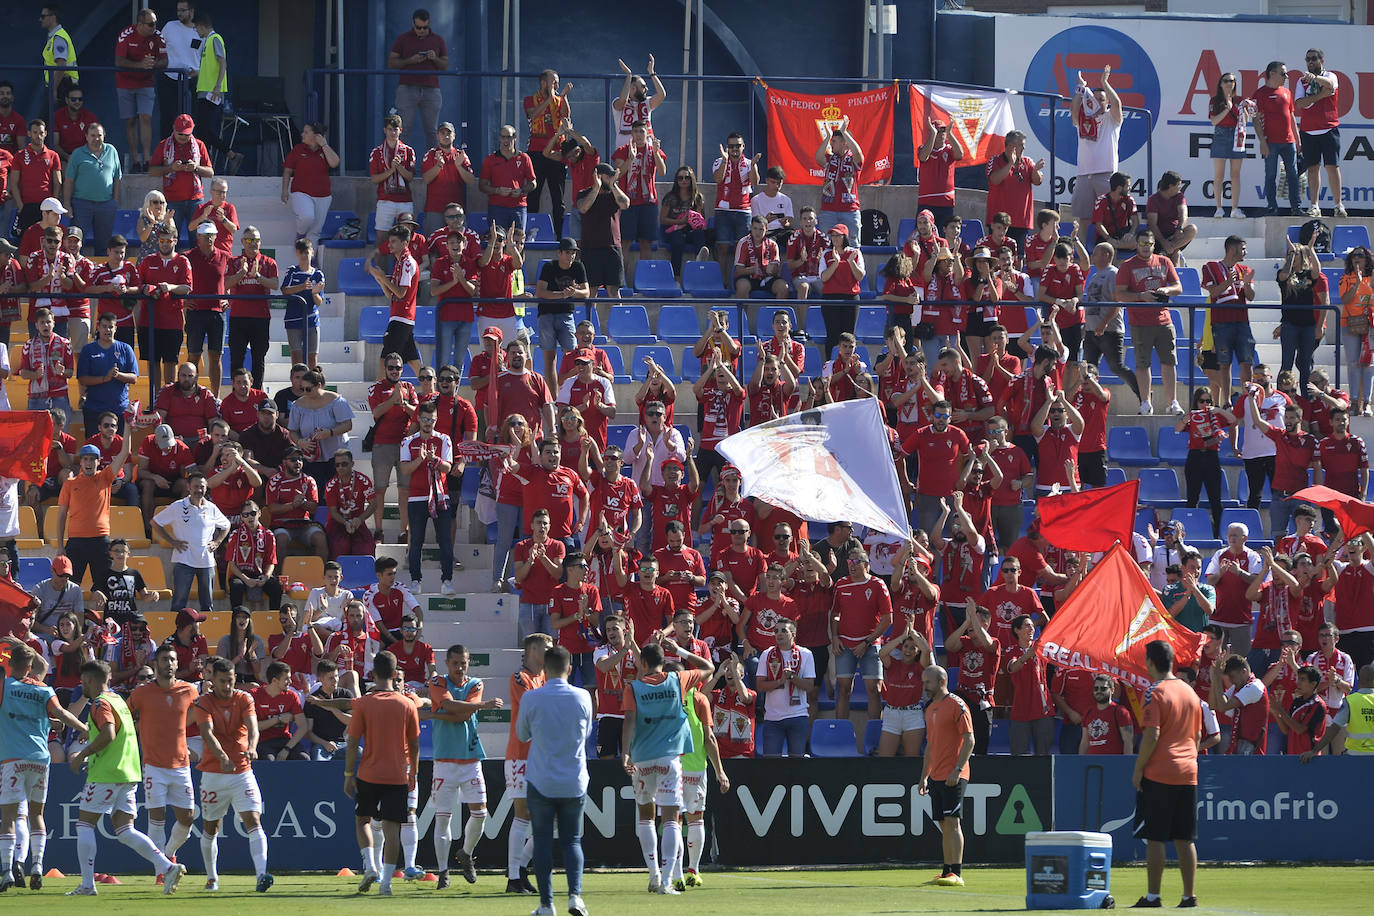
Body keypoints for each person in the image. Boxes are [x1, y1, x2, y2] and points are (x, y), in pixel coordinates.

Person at [65, 660, 189, 897]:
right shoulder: (119, 701)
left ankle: (87, 885)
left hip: (107, 774)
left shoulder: (100, 703)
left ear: (90, 680)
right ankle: (168, 867)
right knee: (125, 831)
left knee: (84, 824)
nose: (83, 685)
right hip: (129, 773)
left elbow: (109, 733)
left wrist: (82, 755)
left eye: (83, 682)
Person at [621, 639, 710, 896]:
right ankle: (667, 880)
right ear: (663, 661)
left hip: (641, 758)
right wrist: (680, 650)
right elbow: (708, 667)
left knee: (645, 816)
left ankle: (653, 875)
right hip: (670, 758)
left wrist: (625, 753)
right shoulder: (678, 680)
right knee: (671, 819)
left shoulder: (633, 688)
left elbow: (628, 720)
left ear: (643, 663)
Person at [0, 643, 88, 892]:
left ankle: (6, 871)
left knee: (8, 818)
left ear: (10, 663)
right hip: (40, 759)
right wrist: (83, 728)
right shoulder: (43, 689)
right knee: (36, 815)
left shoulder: (4, 686)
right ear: (30, 667)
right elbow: (61, 713)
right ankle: (37, 867)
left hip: (12, 759)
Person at [515, 644, 594, 916]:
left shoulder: (531, 698)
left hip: (541, 779)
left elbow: (522, 735)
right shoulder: (583, 697)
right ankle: (575, 897)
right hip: (573, 779)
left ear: (544, 670)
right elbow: (585, 735)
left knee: (542, 840)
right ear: (570, 669)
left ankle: (547, 904)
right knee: (572, 840)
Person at [1131, 640, 1203, 908]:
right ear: (1172, 661)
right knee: (1185, 838)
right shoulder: (1190, 693)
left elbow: (1152, 734)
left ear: (1150, 662)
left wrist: (1138, 770)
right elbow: (1196, 735)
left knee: (1155, 837)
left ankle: (1153, 896)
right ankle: (1189, 896)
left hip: (1160, 772)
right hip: (1188, 771)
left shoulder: (1153, 692)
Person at [191, 656, 272, 892]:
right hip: (214, 774)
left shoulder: (244, 698)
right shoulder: (204, 702)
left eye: (230, 680)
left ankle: (261, 875)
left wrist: (253, 747)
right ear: (212, 680)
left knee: (253, 821)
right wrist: (223, 757)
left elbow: (253, 727)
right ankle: (212, 878)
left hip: (242, 773)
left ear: (235, 678)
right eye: (222, 681)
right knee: (210, 828)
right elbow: (207, 734)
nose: (227, 686)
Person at [427, 644, 502, 888]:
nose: (460, 667)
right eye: (455, 663)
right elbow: (453, 709)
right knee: (443, 820)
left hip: (470, 759)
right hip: (445, 760)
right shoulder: (438, 681)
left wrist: (432, 714)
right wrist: (483, 706)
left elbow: (463, 715)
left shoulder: (475, 683)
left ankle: (466, 853)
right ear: (447, 663)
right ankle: (443, 872)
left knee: (480, 814)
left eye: (464, 663)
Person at [127, 643, 198, 866]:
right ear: (155, 663)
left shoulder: (189, 690)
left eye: (172, 660)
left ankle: (168, 854)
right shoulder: (142, 692)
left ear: (177, 664)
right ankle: (161, 870)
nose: (168, 663)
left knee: (187, 820)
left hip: (181, 765)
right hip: (153, 766)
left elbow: (199, 716)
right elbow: (124, 717)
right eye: (164, 659)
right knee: (156, 818)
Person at [918, 664, 975, 886]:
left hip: (954, 774)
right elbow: (931, 746)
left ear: (941, 681)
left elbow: (969, 739)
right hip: (937, 775)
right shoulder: (930, 708)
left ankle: (957, 873)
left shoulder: (956, 705)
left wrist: (958, 769)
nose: (924, 687)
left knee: (952, 822)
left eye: (928, 682)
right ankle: (946, 871)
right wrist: (924, 776)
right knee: (943, 824)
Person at [1117, 227, 1183, 415]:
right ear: (1137, 245)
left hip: (1163, 319)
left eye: (1149, 244)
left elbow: (1178, 286)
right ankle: (1145, 402)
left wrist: (1166, 291)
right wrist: (1141, 296)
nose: (1146, 247)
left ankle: (1173, 402)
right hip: (1139, 321)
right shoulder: (1127, 265)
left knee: (1169, 362)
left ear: (1154, 245)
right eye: (1142, 243)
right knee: (1142, 364)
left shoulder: (1164, 261)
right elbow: (1120, 294)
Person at [504, 633, 551, 895]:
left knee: (550, 818)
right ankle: (513, 878)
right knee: (523, 814)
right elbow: (533, 711)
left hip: (541, 755)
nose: (552, 650)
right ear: (534, 650)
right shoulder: (519, 678)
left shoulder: (544, 678)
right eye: (548, 646)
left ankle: (520, 868)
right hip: (521, 754)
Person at [55, 433, 131, 589]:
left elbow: (125, 452)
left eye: (92, 459)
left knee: (104, 586)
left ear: (99, 461)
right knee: (70, 586)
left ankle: (104, 615)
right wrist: (60, 546)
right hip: (76, 541)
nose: (88, 462)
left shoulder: (105, 477)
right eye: (85, 459)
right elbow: (62, 515)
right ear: (81, 462)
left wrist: (128, 425)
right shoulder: (70, 483)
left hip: (100, 540)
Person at [151, 471, 230, 614]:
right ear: (188, 487)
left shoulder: (211, 508)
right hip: (183, 560)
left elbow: (226, 525)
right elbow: (155, 523)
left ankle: (206, 634)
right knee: (178, 603)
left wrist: (217, 542)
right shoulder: (178, 506)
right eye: (195, 486)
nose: (199, 490)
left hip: (206, 561)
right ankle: (176, 634)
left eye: (202, 487)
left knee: (207, 604)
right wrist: (171, 541)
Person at [830, 549, 892, 725]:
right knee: (842, 689)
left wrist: (867, 642)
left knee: (874, 689)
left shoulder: (878, 584)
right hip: (845, 643)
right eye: (849, 562)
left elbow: (888, 619)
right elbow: (834, 613)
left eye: (856, 562)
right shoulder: (841, 584)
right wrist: (835, 636)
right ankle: (841, 732)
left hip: (870, 644)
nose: (852, 566)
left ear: (866, 564)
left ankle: (874, 735)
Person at [112, 7, 165, 174]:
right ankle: (136, 161)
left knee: (145, 117)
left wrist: (152, 65)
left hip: (146, 83)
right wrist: (140, 65)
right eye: (150, 24)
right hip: (125, 83)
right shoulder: (126, 34)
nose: (154, 27)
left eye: (155, 23)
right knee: (131, 121)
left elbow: (165, 61)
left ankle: (147, 159)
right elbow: (119, 61)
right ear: (140, 24)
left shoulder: (157, 36)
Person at [225, 225, 279, 390]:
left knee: (258, 358)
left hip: (260, 318)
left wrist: (257, 276)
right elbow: (225, 284)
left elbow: (275, 285)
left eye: (255, 240)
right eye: (248, 240)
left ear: (260, 242)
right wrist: (241, 274)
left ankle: (257, 394)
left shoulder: (268, 262)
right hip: (238, 317)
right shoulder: (234, 262)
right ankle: (236, 393)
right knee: (236, 359)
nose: (252, 243)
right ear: (242, 242)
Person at [1070, 64, 1124, 229]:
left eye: (1101, 99)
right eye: (1094, 99)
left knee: (1109, 217)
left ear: (1106, 101)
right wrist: (1081, 88)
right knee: (1083, 219)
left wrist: (1104, 82)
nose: (1097, 102)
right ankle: (1081, 252)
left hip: (1106, 175)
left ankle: (1108, 250)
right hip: (1084, 175)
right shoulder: (1083, 120)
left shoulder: (1112, 119)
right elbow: (1073, 109)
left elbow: (1117, 104)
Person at [388, 10, 447, 153]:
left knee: (432, 131)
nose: (421, 31)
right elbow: (391, 63)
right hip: (407, 88)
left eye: (425, 28)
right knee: (403, 129)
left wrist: (434, 58)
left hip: (431, 90)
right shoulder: (403, 39)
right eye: (418, 27)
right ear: (413, 24)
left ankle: (433, 165)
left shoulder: (438, 40)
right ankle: (403, 164)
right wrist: (410, 60)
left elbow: (445, 66)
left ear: (429, 24)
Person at [1296, 48, 1344, 218]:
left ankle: (1338, 205)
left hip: (1329, 127)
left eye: (1314, 59)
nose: (1310, 62)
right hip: (1309, 130)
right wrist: (1320, 96)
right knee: (1312, 169)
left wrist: (1316, 79)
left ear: (1322, 60)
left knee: (1332, 166)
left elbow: (1330, 86)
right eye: (1308, 59)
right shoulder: (1302, 81)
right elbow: (1299, 104)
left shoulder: (1331, 75)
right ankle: (1314, 205)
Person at [613, 120, 665, 277]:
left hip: (648, 203)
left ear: (647, 133)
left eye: (642, 132)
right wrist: (630, 159)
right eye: (635, 132)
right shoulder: (623, 150)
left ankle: (644, 278)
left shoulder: (653, 150)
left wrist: (656, 152)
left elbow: (662, 171)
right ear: (632, 134)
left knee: (646, 242)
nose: (639, 135)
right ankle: (622, 280)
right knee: (625, 243)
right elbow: (618, 173)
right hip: (627, 203)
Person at [149, 113, 212, 233]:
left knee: (198, 237)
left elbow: (210, 172)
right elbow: (152, 171)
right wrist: (171, 168)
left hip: (195, 200)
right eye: (180, 134)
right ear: (173, 128)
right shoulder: (163, 145)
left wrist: (195, 168)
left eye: (187, 134)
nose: (183, 137)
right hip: (172, 200)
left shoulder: (199, 145)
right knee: (171, 236)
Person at [1253, 60, 1302, 217]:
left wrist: (1298, 139)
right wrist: (1262, 141)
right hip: (1270, 142)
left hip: (1289, 142)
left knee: (1293, 175)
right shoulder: (1260, 94)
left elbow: (1292, 116)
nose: (1286, 77)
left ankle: (1296, 207)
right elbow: (1256, 119)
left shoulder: (1287, 92)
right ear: (1272, 74)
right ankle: (1272, 206)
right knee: (1271, 175)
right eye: (1283, 73)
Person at [279, 124, 338, 245]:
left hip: (323, 196)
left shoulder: (324, 150)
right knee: (307, 216)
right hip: (301, 193)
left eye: (306, 132)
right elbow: (288, 170)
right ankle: (300, 234)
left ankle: (310, 261)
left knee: (315, 232)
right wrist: (284, 190)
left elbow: (334, 163)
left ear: (316, 136)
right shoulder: (298, 149)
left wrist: (324, 145)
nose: (302, 134)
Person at [1302, 663, 1374, 760]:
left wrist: (1314, 751)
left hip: (1355, 756)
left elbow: (1334, 728)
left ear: (1358, 681)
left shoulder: (1350, 701)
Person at [985, 130, 1042, 250]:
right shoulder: (995, 160)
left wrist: (1036, 171)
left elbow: (1037, 181)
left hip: (1021, 221)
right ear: (1010, 146)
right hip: (999, 222)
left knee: (1019, 257)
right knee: (996, 256)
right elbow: (995, 180)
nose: (1023, 147)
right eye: (1021, 145)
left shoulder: (1027, 162)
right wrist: (1010, 163)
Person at [480, 125, 537, 233]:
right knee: (498, 241)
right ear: (500, 138)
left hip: (518, 207)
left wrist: (522, 190)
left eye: (509, 137)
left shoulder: (524, 158)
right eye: (503, 137)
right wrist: (497, 190)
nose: (506, 140)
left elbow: (533, 182)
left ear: (515, 137)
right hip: (497, 207)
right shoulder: (490, 160)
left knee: (518, 242)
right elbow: (482, 185)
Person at [368, 114, 415, 241]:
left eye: (396, 129)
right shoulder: (377, 152)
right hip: (385, 200)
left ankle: (404, 261)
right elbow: (374, 179)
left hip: (405, 200)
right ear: (384, 130)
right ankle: (381, 262)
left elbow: (410, 177)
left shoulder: (408, 151)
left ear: (401, 130)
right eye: (390, 129)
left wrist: (399, 167)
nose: (393, 132)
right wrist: (391, 170)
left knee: (406, 239)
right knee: (382, 239)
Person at [1209, 72, 1246, 219]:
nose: (1229, 83)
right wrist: (1227, 108)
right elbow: (1214, 121)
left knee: (1235, 174)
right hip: (1221, 134)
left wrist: (1246, 111)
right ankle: (1219, 208)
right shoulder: (1215, 100)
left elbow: (1245, 120)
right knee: (1219, 175)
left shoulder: (1240, 100)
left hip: (1237, 135)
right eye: (1226, 81)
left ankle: (1234, 208)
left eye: (1232, 81)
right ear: (1220, 83)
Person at [1147, 171, 1198, 266]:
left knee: (1192, 229)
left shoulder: (1179, 196)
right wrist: (1163, 242)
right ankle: (1170, 252)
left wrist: (1180, 229)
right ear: (1171, 186)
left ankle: (1167, 251)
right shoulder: (1153, 199)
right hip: (1158, 237)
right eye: (1178, 185)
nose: (1180, 188)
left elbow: (1184, 214)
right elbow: (1152, 224)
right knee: (1175, 253)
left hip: (1175, 236)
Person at [613, 55, 665, 147]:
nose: (647, 89)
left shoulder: (647, 103)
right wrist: (629, 75)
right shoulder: (617, 102)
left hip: (647, 152)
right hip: (625, 153)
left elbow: (662, 95)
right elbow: (622, 101)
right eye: (643, 87)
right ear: (632, 88)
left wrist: (652, 73)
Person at [1080, 674, 1134, 754]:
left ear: (1112, 690)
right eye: (1096, 688)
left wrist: (1126, 765)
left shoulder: (1121, 712)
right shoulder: (1088, 712)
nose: (1099, 691)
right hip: (1092, 764)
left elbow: (1128, 742)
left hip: (1113, 763)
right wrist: (1081, 763)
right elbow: (1084, 743)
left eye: (1103, 688)